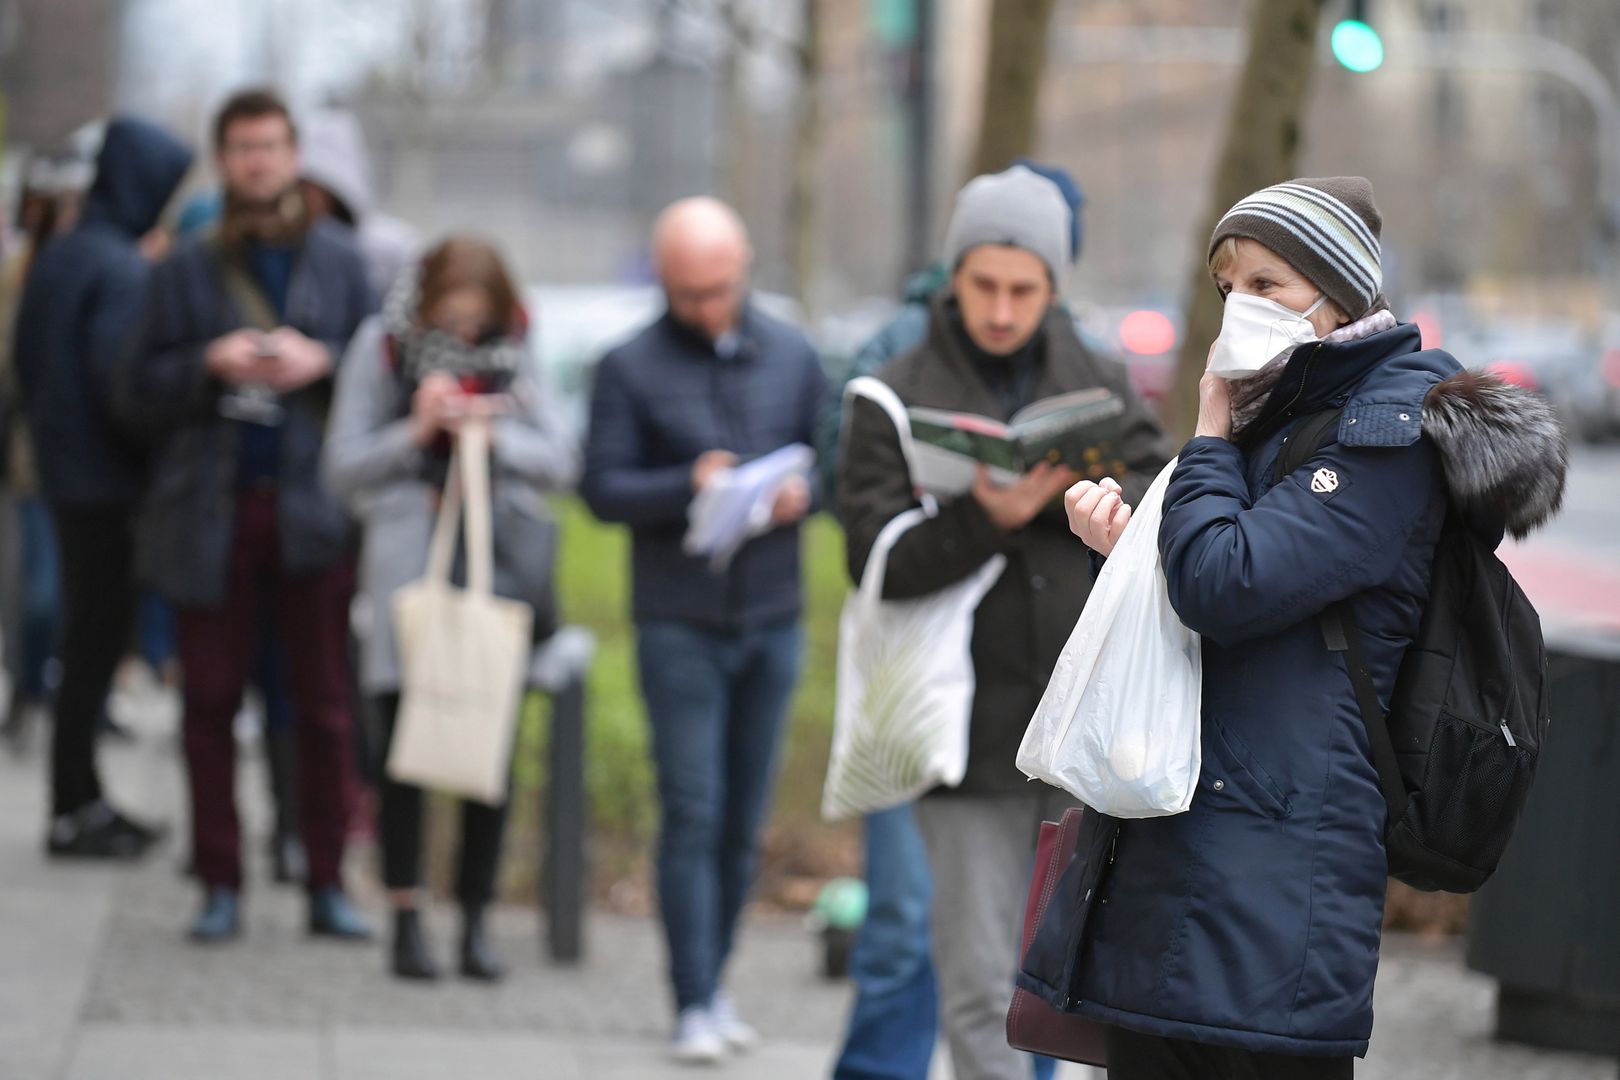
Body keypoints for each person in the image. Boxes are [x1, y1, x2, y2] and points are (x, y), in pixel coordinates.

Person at [1025, 177, 1567, 1077]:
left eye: (1268, 284)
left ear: (1340, 293)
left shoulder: (1383, 433)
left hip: (1272, 875)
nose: (1240, 304)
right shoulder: (1278, 413)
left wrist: (1205, 432)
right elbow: (1211, 606)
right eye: (1228, 284)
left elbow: (1226, 584)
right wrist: (1123, 552)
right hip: (1194, 846)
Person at [837, 166, 1170, 1080]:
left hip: (1084, 718)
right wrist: (989, 516)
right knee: (981, 981)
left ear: (1053, 287)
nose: (1000, 307)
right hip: (966, 727)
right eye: (981, 283)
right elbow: (871, 563)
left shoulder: (1099, 381)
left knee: (1078, 982)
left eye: (1023, 289)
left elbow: (1165, 503)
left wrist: (1099, 502)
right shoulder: (893, 390)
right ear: (953, 275)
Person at [117, 88, 375, 942]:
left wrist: (323, 363)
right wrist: (209, 363)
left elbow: (386, 388)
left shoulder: (343, 260)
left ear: (295, 154)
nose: (258, 161)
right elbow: (133, 390)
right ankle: (219, 881)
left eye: (271, 145)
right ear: (224, 160)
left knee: (324, 706)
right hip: (211, 513)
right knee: (210, 705)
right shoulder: (187, 266)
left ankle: (326, 879)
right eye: (242, 148)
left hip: (312, 513)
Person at [581, 197, 828, 1064]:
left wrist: (802, 494)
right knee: (691, 810)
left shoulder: (794, 352)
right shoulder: (628, 366)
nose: (707, 308)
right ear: (664, 282)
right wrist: (688, 484)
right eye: (688, 294)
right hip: (679, 619)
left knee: (742, 817)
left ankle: (718, 982)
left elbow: (832, 459)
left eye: (719, 288)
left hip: (773, 615)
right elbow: (601, 488)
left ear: (745, 265)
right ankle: (690, 996)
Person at [323, 236, 579, 982]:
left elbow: (563, 457)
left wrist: (492, 436)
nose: (466, 333)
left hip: (494, 572)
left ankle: (475, 920)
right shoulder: (381, 348)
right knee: (404, 749)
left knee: (484, 753)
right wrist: (418, 431)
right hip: (409, 577)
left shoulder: (519, 348)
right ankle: (405, 914)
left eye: (478, 317)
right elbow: (340, 467)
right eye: (452, 317)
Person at [10, 118, 192, 856]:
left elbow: (25, 362)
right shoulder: (119, 266)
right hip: (109, 486)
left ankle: (77, 800)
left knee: (81, 641)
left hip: (62, 474)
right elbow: (123, 386)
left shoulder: (59, 254)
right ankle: (75, 807)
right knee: (92, 644)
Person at [297, 108, 422, 300]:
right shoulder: (292, 248)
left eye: (317, 187)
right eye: (301, 186)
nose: (308, 196)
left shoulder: (392, 247)